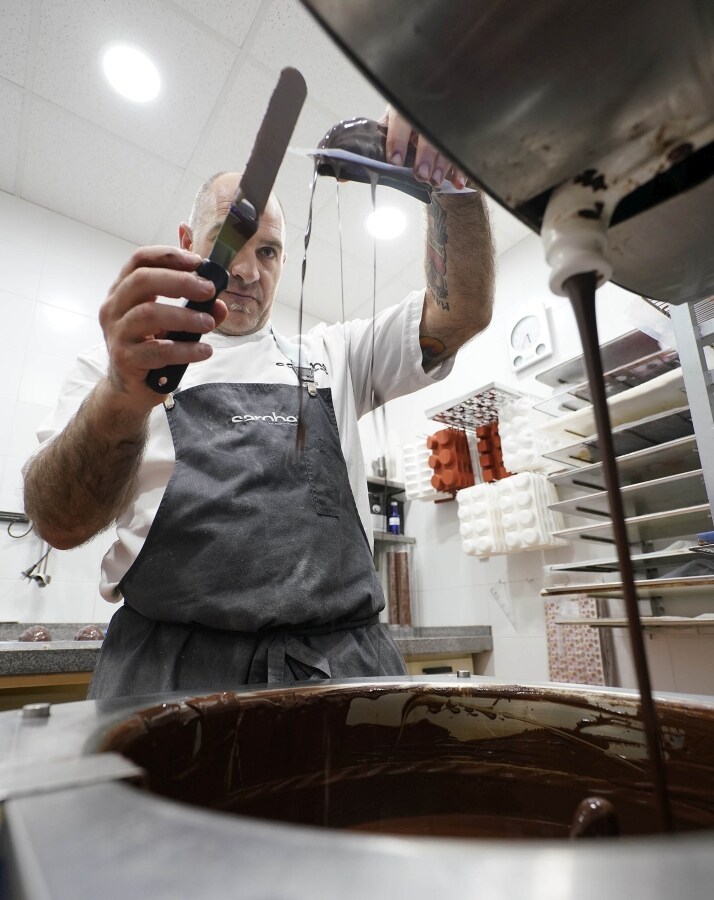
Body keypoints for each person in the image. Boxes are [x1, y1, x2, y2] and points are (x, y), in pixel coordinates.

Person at [23, 108, 495, 699]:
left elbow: (460, 314)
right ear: (187, 242)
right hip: (166, 676)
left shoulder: (335, 353)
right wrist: (121, 400)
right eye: (231, 239)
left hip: (339, 674)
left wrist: (456, 190)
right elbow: (58, 523)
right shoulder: (115, 366)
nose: (247, 270)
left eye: (268, 252)